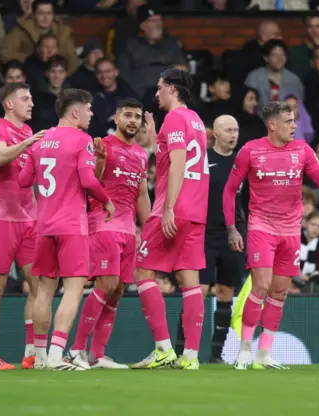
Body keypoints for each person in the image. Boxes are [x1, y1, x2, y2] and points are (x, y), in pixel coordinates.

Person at [223, 101, 319, 370]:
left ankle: (263, 354)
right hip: (261, 227)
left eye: (294, 120)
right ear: (272, 125)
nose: (295, 126)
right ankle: (244, 350)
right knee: (260, 287)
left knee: (280, 292)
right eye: (288, 121)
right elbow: (229, 191)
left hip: (291, 231)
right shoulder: (250, 150)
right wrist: (232, 228)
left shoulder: (303, 150)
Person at [18, 89, 114, 370]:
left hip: (44, 226)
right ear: (75, 112)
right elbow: (87, 180)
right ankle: (58, 354)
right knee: (73, 289)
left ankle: (40, 356)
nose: (91, 114)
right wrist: (106, 201)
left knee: (44, 291)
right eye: (88, 109)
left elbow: (24, 180)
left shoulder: (40, 140)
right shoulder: (82, 140)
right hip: (72, 226)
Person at [132, 68, 208, 371]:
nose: (156, 93)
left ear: (173, 89)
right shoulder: (196, 121)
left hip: (174, 207)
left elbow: (177, 164)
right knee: (190, 282)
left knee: (143, 275)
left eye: (160, 87)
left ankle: (163, 349)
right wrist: (155, 136)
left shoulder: (176, 118)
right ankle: (190, 356)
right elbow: (172, 156)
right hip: (196, 210)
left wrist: (168, 209)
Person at [66, 98, 150, 369]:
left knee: (118, 290)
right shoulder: (102, 145)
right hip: (103, 223)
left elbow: (142, 194)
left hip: (128, 230)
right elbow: (91, 181)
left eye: (137, 116)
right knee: (106, 284)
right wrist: (101, 161)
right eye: (128, 115)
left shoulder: (141, 154)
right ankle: (76, 350)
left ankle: (97, 355)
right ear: (116, 118)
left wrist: (147, 230)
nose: (133, 120)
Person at [0, 82, 45, 370]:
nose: (31, 103)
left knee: (37, 285)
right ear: (9, 103)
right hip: (0, 219)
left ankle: (31, 352)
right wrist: (28, 144)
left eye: (31, 98)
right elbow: (0, 156)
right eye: (25, 98)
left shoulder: (28, 131)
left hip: (29, 220)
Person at [174, 114, 246, 364]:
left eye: (236, 130)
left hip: (234, 233)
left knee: (226, 292)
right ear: (214, 134)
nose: (233, 134)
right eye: (228, 130)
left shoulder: (242, 161)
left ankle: (216, 354)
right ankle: (180, 351)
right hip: (204, 234)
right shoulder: (202, 161)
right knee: (198, 291)